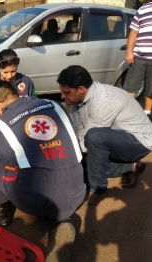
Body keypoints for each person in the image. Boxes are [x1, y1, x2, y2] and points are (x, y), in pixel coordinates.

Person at [0, 80, 86, 261]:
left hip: (34, 196)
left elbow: (7, 157)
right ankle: (56, 226)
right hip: (77, 189)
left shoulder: (4, 123)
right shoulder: (55, 105)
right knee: (43, 172)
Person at [58, 65, 152, 206]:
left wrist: (72, 158)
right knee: (89, 162)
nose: (62, 96)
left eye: (66, 93)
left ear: (81, 89)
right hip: (115, 135)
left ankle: (98, 188)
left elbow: (90, 139)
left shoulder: (103, 102)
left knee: (93, 143)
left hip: (139, 141)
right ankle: (131, 167)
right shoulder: (78, 98)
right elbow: (78, 129)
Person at [123, 2, 152, 120]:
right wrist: (129, 52)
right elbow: (133, 32)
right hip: (139, 57)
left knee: (151, 89)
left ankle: (147, 114)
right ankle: (127, 115)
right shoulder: (143, 9)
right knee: (131, 87)